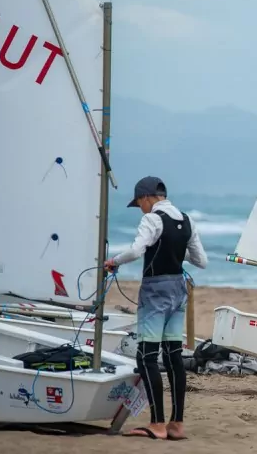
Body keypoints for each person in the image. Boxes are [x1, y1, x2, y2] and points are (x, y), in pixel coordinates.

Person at [104, 176, 208, 440]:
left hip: (155, 292)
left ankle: (157, 424)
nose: (140, 208)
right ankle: (177, 424)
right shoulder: (187, 220)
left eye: (139, 203)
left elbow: (136, 251)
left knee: (147, 356)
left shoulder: (152, 219)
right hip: (179, 291)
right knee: (174, 355)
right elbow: (201, 261)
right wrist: (174, 250)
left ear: (146, 197)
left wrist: (113, 261)